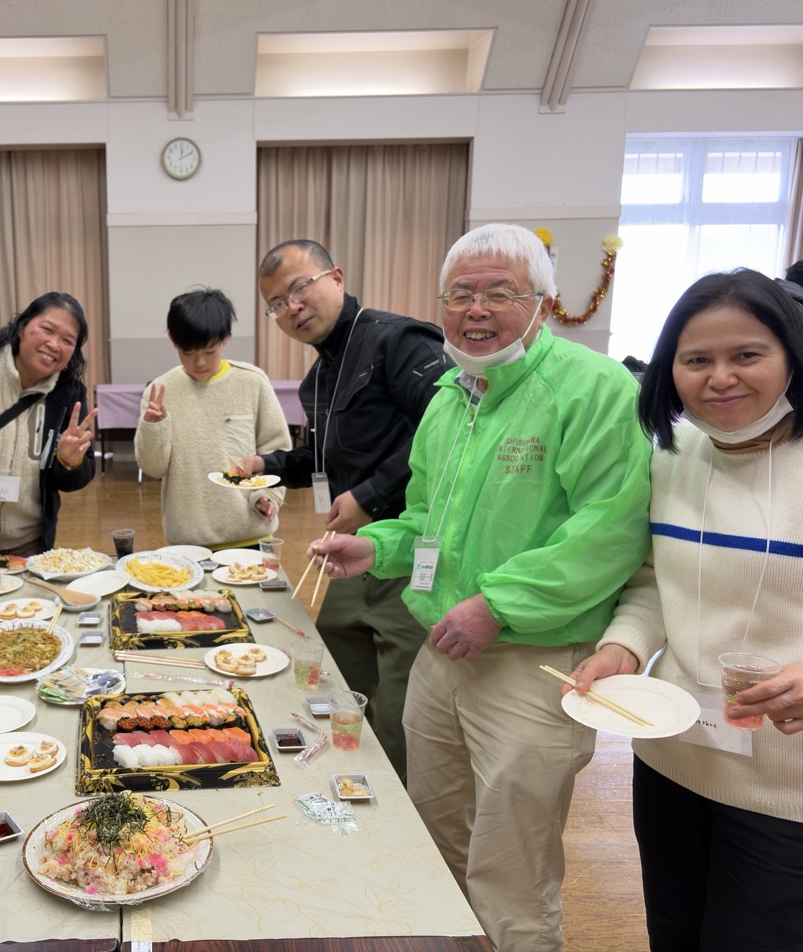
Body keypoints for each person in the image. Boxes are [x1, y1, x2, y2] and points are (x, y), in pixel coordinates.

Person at [312, 223, 653, 952]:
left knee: (512, 865)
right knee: (438, 830)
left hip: (534, 659)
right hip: (443, 653)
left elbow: (609, 530)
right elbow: (429, 525)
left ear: (544, 300)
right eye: (461, 294)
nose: (477, 310)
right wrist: (373, 547)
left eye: (500, 293)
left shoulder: (592, 387)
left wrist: (497, 605)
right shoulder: (450, 396)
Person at [569, 269, 803, 952]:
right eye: (697, 360)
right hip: (676, 754)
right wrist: (623, 647)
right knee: (672, 932)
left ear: (791, 353)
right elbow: (652, 580)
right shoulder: (673, 455)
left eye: (747, 355)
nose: (720, 377)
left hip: (784, 779)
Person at [236, 239, 448, 782]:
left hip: (413, 553)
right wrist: (270, 462)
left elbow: (446, 428)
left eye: (299, 288)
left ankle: (401, 826)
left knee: (399, 711)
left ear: (335, 276)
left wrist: (372, 494)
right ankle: (340, 788)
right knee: (329, 678)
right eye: (277, 304)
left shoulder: (397, 340)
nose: (292, 308)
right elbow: (324, 459)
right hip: (354, 553)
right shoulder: (320, 377)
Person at [0, 291, 97, 569]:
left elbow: (82, 473)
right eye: (47, 329)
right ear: (22, 327)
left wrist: (68, 461)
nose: (54, 344)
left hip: (28, 547)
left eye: (67, 340)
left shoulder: (69, 393)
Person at [135, 287, 291, 549]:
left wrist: (267, 495)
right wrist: (153, 427)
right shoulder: (160, 392)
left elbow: (275, 449)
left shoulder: (252, 382)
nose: (199, 363)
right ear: (173, 340)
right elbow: (153, 468)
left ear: (225, 338)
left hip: (251, 535)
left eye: (209, 352)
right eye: (188, 352)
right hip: (189, 543)